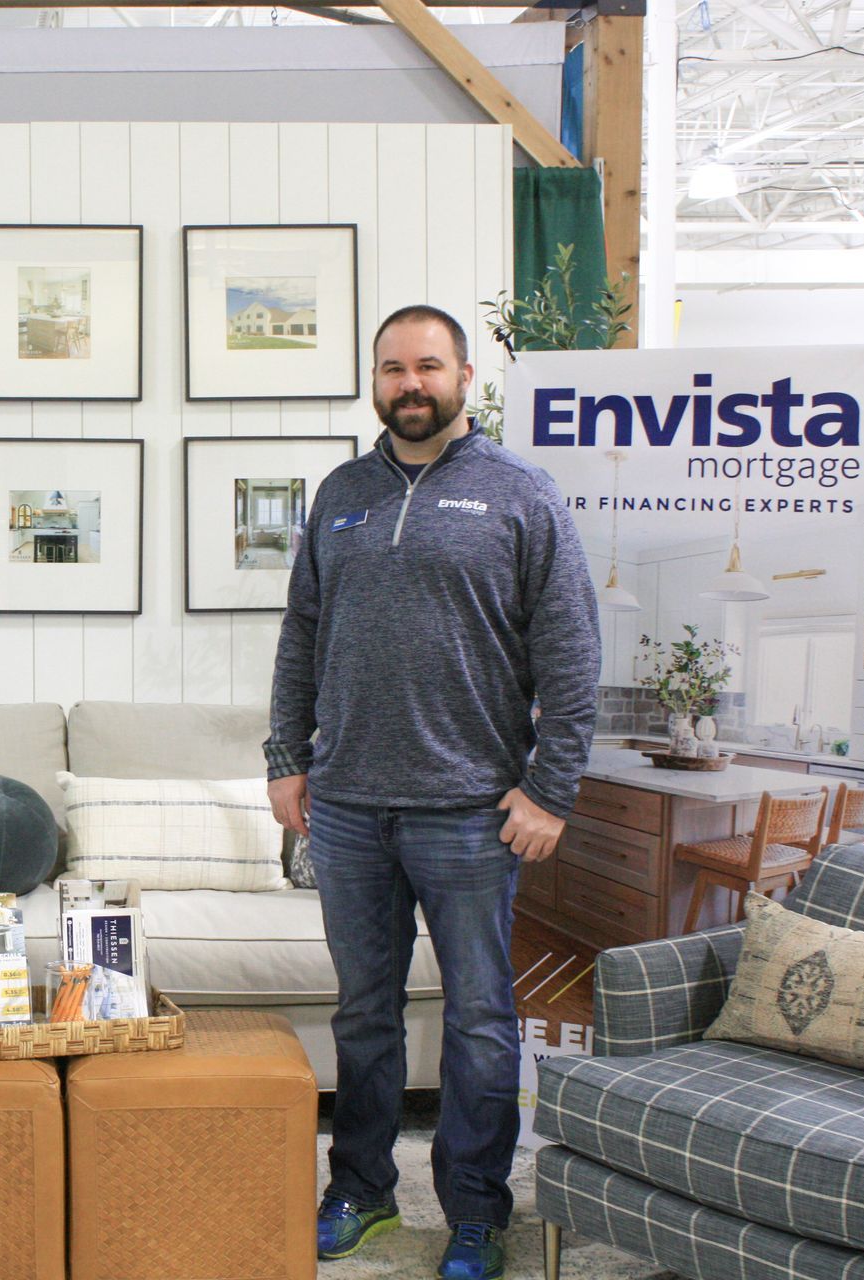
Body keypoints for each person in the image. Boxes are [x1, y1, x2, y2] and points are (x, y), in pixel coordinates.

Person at [265, 306, 599, 1280]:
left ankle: (475, 1213)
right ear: (373, 378)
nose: (410, 383)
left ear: (462, 373)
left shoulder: (520, 494)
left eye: (428, 366)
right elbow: (301, 638)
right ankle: (362, 1187)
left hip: (470, 811)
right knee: (363, 1013)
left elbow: (573, 653)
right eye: (392, 367)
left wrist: (551, 788)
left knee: (480, 1019)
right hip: (349, 809)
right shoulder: (341, 495)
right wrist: (287, 757)